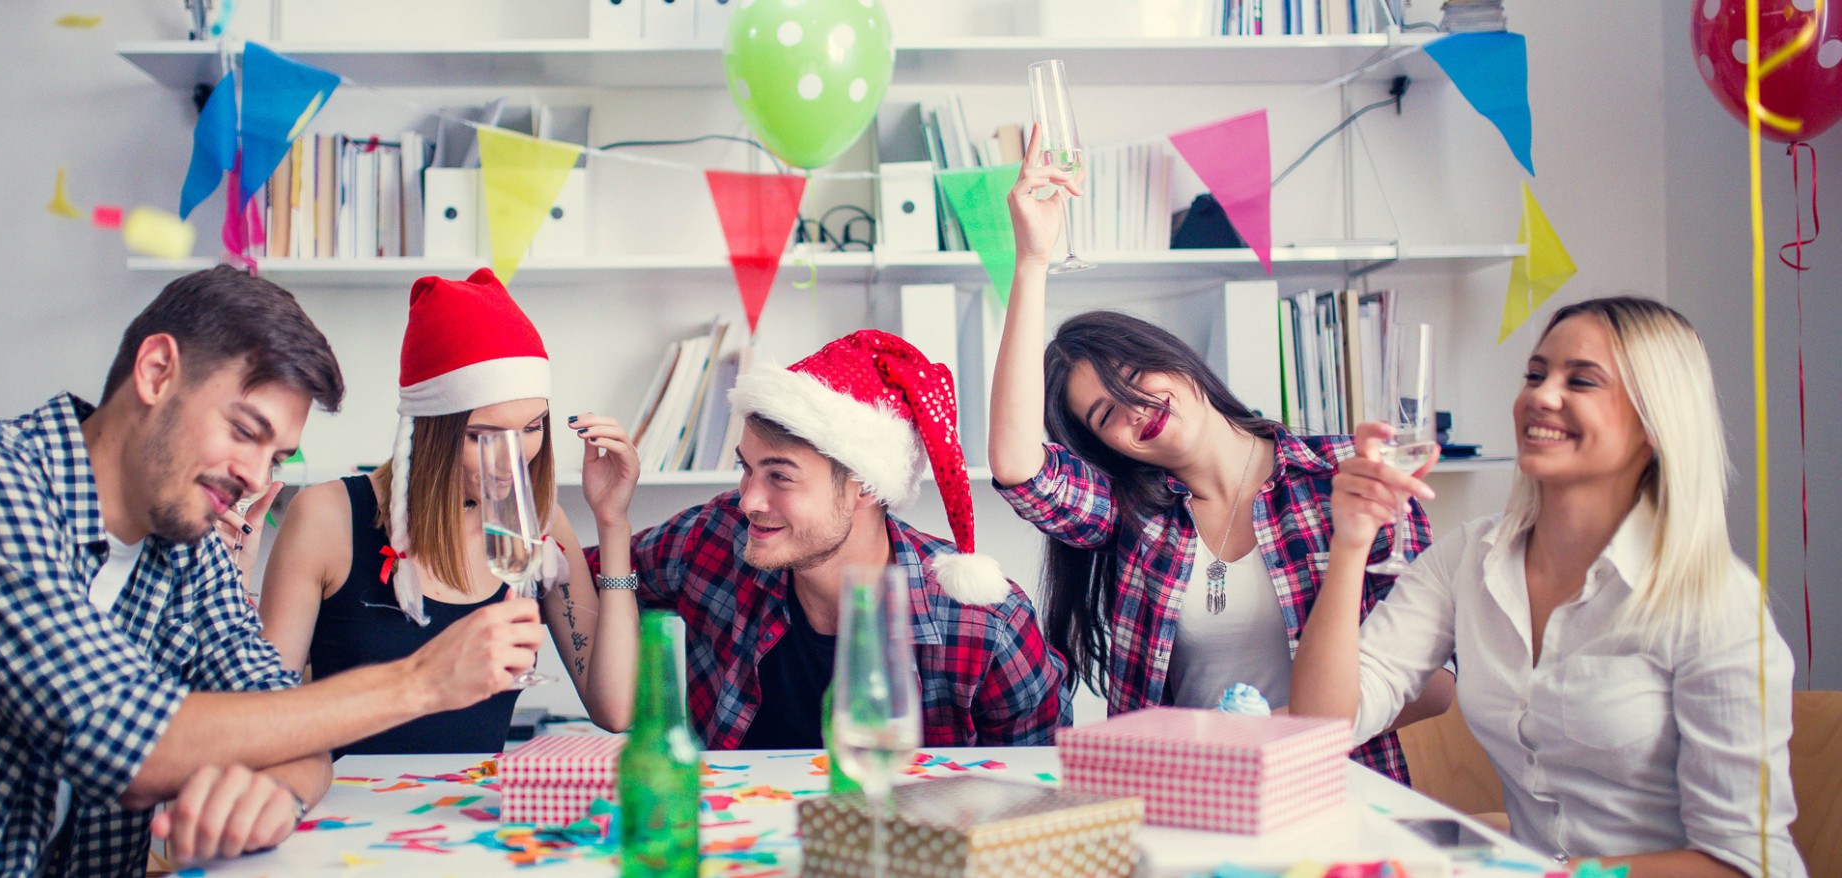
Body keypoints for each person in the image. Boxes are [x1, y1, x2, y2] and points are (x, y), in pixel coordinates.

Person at [0, 267, 548, 877]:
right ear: (157, 371)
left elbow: (292, 721)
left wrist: (270, 787)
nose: (255, 477)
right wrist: (419, 681)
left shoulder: (185, 554)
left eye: (277, 457)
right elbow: (123, 736)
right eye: (244, 432)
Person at [989, 126, 1452, 782]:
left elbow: (1433, 687)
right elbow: (1017, 466)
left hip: (1333, 784)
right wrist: (1032, 260)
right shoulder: (1129, 515)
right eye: (1104, 416)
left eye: (1133, 376)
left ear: (1176, 361)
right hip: (1175, 787)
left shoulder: (1344, 477)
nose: (1132, 409)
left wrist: (1276, 733)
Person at [1290, 297, 1805, 876]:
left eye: (1580, 381)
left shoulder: (1714, 603)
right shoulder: (1468, 557)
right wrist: (1351, 542)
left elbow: (1744, 863)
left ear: (1656, 423)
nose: (1541, 394)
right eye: (1535, 374)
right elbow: (1322, 724)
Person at [582, 330, 1070, 749]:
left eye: (780, 477)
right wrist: (612, 521)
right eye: (745, 468)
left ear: (862, 487)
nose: (748, 499)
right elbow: (571, 575)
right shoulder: (717, 536)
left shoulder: (985, 626)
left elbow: (1044, 794)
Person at [258, 269, 639, 751]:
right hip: (347, 812)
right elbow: (264, 720)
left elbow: (617, 709)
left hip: (471, 817)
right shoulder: (326, 518)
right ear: (430, 432)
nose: (515, 457)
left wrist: (613, 523)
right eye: (483, 437)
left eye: (532, 427)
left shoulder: (540, 526)